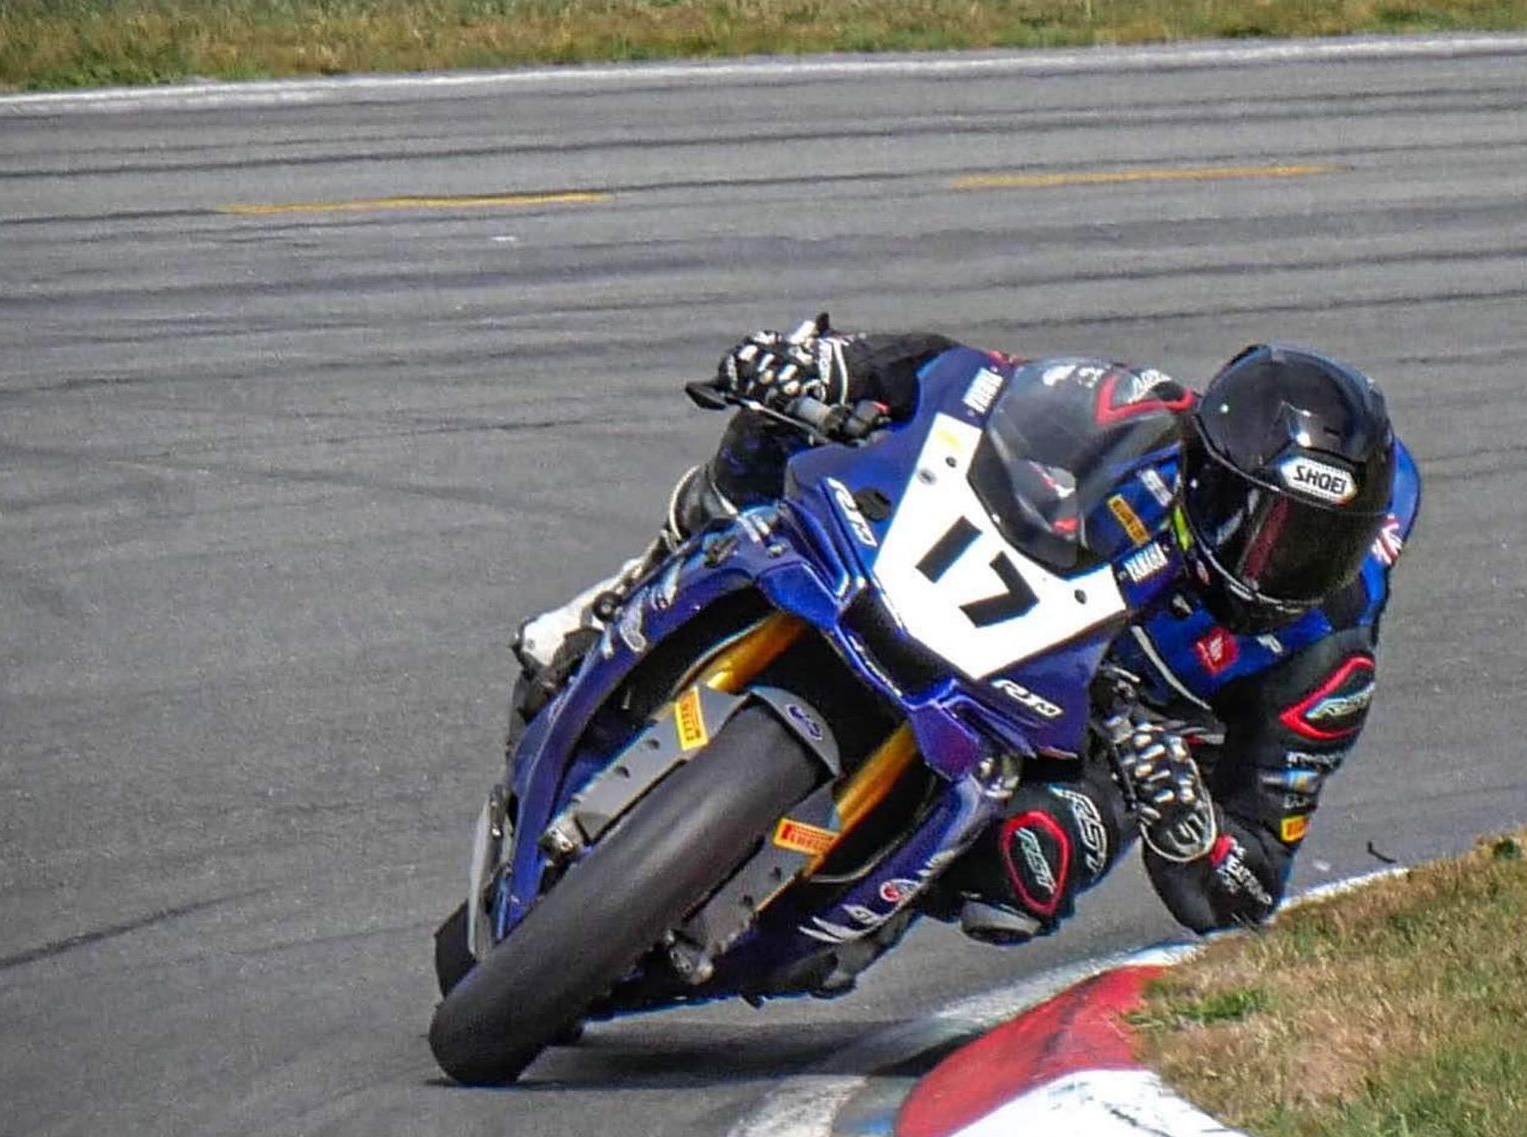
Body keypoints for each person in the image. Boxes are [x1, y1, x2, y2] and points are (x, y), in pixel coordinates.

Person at [513, 321, 1420, 944]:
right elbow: (971, 377)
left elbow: (1251, 883)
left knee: (1028, 873)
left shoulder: (1325, 657)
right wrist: (840, 368)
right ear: (1209, 471)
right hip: (986, 610)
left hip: (1096, 748)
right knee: (776, 426)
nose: (1275, 567)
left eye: (1313, 546)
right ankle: (623, 595)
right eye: (1261, 527)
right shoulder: (1144, 418)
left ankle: (861, 905)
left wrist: (1189, 824)